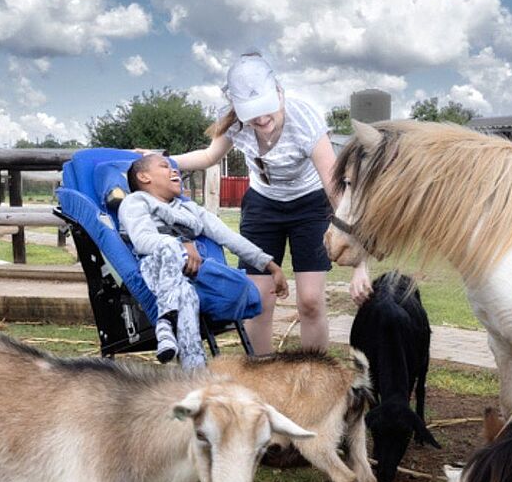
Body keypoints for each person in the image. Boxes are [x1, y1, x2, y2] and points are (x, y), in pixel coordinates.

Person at [167, 52, 372, 354]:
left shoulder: (305, 121)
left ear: (278, 93)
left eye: (266, 109)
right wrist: (163, 160)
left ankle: (314, 379)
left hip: (311, 205)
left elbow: (335, 190)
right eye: (252, 112)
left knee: (311, 301)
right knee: (259, 300)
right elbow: (209, 156)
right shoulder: (235, 123)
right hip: (263, 206)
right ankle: (263, 375)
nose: (261, 119)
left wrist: (360, 263)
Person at [119, 153, 288, 368]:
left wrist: (271, 266)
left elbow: (229, 237)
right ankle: (165, 325)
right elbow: (142, 240)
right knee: (172, 253)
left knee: (188, 295)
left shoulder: (189, 209)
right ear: (144, 177)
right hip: (156, 267)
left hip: (190, 277)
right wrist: (180, 244)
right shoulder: (135, 201)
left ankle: (193, 369)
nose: (174, 171)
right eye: (164, 166)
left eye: (174, 168)